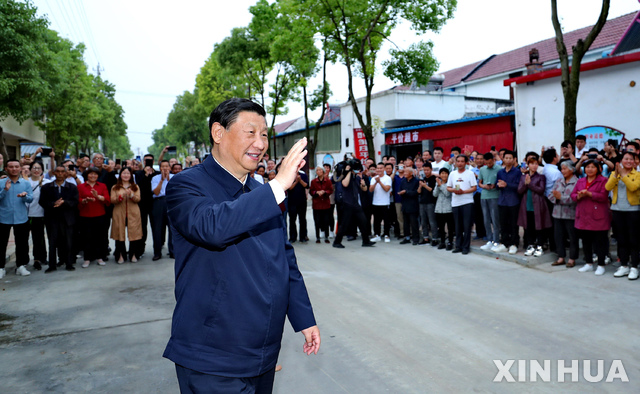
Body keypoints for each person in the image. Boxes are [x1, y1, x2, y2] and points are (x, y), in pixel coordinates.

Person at [163, 98, 319, 392]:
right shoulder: (187, 185)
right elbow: (212, 228)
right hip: (211, 355)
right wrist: (277, 186)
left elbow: (284, 258)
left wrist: (303, 318)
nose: (260, 144)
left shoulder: (260, 191)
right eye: (250, 133)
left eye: (264, 135)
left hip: (262, 351)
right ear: (218, 133)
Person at [572, 160, 611, 275]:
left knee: (600, 242)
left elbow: (604, 196)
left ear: (599, 169)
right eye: (587, 167)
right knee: (586, 241)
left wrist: (590, 194)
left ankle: (601, 265)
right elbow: (573, 194)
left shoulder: (603, 180)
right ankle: (588, 263)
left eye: (593, 167)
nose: (590, 169)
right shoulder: (580, 181)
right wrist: (578, 196)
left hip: (598, 215)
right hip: (583, 215)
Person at [606, 152, 640, 280]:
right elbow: (607, 187)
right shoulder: (615, 174)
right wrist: (615, 175)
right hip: (617, 210)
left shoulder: (637, 175)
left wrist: (624, 175)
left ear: (635, 162)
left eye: (631, 159)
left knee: (633, 240)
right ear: (621, 161)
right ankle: (624, 265)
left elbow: (633, 187)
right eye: (626, 159)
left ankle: (634, 267)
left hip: (633, 210)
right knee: (621, 239)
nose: (628, 161)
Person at [39, 165, 79, 272]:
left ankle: (69, 263)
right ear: (54, 173)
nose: (60, 174)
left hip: (68, 219)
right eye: (58, 171)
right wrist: (53, 204)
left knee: (69, 242)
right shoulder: (46, 187)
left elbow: (75, 202)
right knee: (52, 242)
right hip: (52, 218)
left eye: (62, 172)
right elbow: (42, 202)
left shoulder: (72, 187)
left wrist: (64, 202)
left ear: (66, 173)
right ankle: (52, 265)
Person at [0, 160, 34, 278]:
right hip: (3, 217)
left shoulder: (25, 183)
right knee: (1, 243)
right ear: (6, 168)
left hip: (21, 217)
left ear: (20, 168)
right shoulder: (1, 182)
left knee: (22, 243)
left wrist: (25, 196)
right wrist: (5, 190)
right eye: (11, 167)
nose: (14, 169)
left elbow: (30, 199)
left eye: (16, 166)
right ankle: (1, 267)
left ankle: (20, 266)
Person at [517, 157, 552, 257]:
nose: (534, 166)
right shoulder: (523, 177)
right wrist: (525, 184)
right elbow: (519, 190)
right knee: (528, 227)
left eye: (536, 164)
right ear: (528, 165)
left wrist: (530, 184)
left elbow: (541, 190)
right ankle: (530, 245)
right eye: (532, 164)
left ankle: (540, 246)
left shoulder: (541, 177)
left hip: (538, 205)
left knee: (539, 226)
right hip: (526, 204)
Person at [77, 167, 111, 268]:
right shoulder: (81, 186)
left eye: (95, 174)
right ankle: (87, 259)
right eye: (91, 174)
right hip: (85, 215)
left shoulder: (102, 186)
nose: (93, 176)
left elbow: (107, 200)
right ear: (87, 175)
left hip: (99, 215)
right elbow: (77, 200)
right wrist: (84, 200)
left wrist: (98, 197)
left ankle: (99, 257)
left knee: (99, 237)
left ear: (98, 176)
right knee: (86, 238)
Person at [548, 160, 579, 267]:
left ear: (572, 170)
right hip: (557, 213)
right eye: (562, 169)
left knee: (572, 237)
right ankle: (561, 257)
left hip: (570, 214)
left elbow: (575, 199)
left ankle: (572, 258)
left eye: (565, 168)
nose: (563, 171)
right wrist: (556, 198)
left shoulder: (577, 182)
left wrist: (561, 198)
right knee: (558, 236)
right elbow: (551, 195)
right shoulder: (558, 181)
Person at [110, 167, 143, 263]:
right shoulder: (115, 187)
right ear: (120, 175)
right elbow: (112, 200)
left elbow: (138, 199)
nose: (126, 175)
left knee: (134, 234)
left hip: (133, 213)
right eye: (124, 173)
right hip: (119, 213)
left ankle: (133, 254)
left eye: (128, 173)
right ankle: (120, 255)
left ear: (131, 175)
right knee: (119, 234)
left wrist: (131, 195)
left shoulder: (135, 186)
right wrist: (120, 198)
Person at [446, 155, 477, 254]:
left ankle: (465, 247)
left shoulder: (470, 173)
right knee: (457, 226)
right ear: (455, 162)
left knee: (467, 225)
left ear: (466, 163)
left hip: (467, 202)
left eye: (462, 161)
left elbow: (474, 187)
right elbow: (448, 187)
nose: (459, 163)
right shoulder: (452, 174)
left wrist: (463, 192)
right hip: (456, 203)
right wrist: (455, 190)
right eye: (458, 161)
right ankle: (458, 246)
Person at [26, 161, 52, 270]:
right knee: (27, 239)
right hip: (26, 214)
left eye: (39, 168)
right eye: (34, 168)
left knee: (39, 237)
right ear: (30, 169)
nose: (36, 170)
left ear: (42, 170)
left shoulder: (47, 182)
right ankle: (28, 260)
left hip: (41, 214)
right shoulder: (25, 182)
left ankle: (40, 258)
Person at [496, 150, 521, 254]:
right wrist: (498, 185)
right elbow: (496, 184)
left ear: (514, 159)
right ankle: (504, 243)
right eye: (506, 158)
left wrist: (507, 185)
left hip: (513, 201)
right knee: (503, 223)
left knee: (513, 224)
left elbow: (519, 186)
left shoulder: (517, 172)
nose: (508, 160)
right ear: (503, 159)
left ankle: (514, 244)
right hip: (502, 201)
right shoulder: (500, 172)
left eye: (510, 158)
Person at [478, 152, 502, 251]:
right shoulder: (482, 169)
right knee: (486, 219)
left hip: (495, 195)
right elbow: (479, 183)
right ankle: (489, 240)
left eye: (490, 163)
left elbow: (500, 182)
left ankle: (496, 240)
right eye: (486, 163)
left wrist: (494, 185)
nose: (488, 165)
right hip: (484, 196)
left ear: (493, 160)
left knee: (495, 219)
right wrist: (484, 186)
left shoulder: (499, 169)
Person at [151, 160, 173, 260]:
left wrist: (168, 179)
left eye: (166, 166)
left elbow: (175, 191)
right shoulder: (155, 178)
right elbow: (156, 192)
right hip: (158, 202)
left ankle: (173, 251)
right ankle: (157, 252)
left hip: (170, 202)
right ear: (160, 168)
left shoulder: (174, 177)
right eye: (162, 166)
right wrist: (162, 180)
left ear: (169, 168)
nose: (165, 168)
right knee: (157, 228)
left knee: (173, 228)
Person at [309, 166, 333, 243]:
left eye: (320, 170)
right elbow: (311, 191)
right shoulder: (313, 181)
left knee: (326, 220)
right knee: (317, 221)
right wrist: (316, 193)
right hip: (317, 204)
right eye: (317, 170)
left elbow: (330, 190)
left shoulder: (328, 181)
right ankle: (317, 237)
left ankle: (326, 236)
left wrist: (325, 192)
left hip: (325, 203)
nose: (318, 171)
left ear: (323, 171)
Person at [369, 162, 392, 243]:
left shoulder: (387, 178)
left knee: (386, 220)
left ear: (384, 169)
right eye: (378, 168)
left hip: (385, 203)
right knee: (376, 220)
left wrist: (380, 182)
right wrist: (376, 182)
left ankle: (386, 235)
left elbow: (387, 189)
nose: (379, 170)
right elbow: (371, 190)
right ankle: (377, 235)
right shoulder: (373, 178)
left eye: (381, 168)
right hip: (376, 202)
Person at [433, 168, 454, 250]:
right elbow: (434, 194)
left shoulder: (450, 183)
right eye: (442, 173)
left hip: (448, 208)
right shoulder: (438, 183)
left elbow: (447, 194)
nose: (444, 175)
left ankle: (450, 242)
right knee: (441, 227)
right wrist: (438, 185)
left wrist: (440, 186)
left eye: (445, 173)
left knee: (450, 227)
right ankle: (442, 242)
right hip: (439, 208)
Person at [399, 166, 420, 245]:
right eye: (404, 172)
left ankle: (416, 238)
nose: (404, 173)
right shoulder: (403, 181)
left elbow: (416, 192)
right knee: (406, 223)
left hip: (413, 205)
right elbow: (400, 190)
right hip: (404, 204)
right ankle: (406, 237)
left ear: (411, 173)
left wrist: (406, 192)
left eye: (406, 172)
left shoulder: (416, 181)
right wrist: (402, 192)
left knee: (414, 223)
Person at [417, 162, 438, 245]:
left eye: (427, 170)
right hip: (422, 202)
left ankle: (435, 238)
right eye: (424, 170)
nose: (426, 172)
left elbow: (433, 191)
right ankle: (425, 238)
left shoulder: (434, 179)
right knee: (423, 222)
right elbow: (418, 192)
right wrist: (421, 185)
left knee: (432, 222)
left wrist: (425, 186)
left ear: (431, 170)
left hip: (431, 203)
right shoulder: (422, 179)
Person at [287, 169, 309, 243]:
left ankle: (303, 236)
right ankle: (293, 237)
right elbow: (289, 188)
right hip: (292, 201)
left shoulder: (303, 175)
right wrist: (296, 181)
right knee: (292, 220)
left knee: (302, 219)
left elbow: (306, 185)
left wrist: (300, 180)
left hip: (302, 201)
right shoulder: (289, 176)